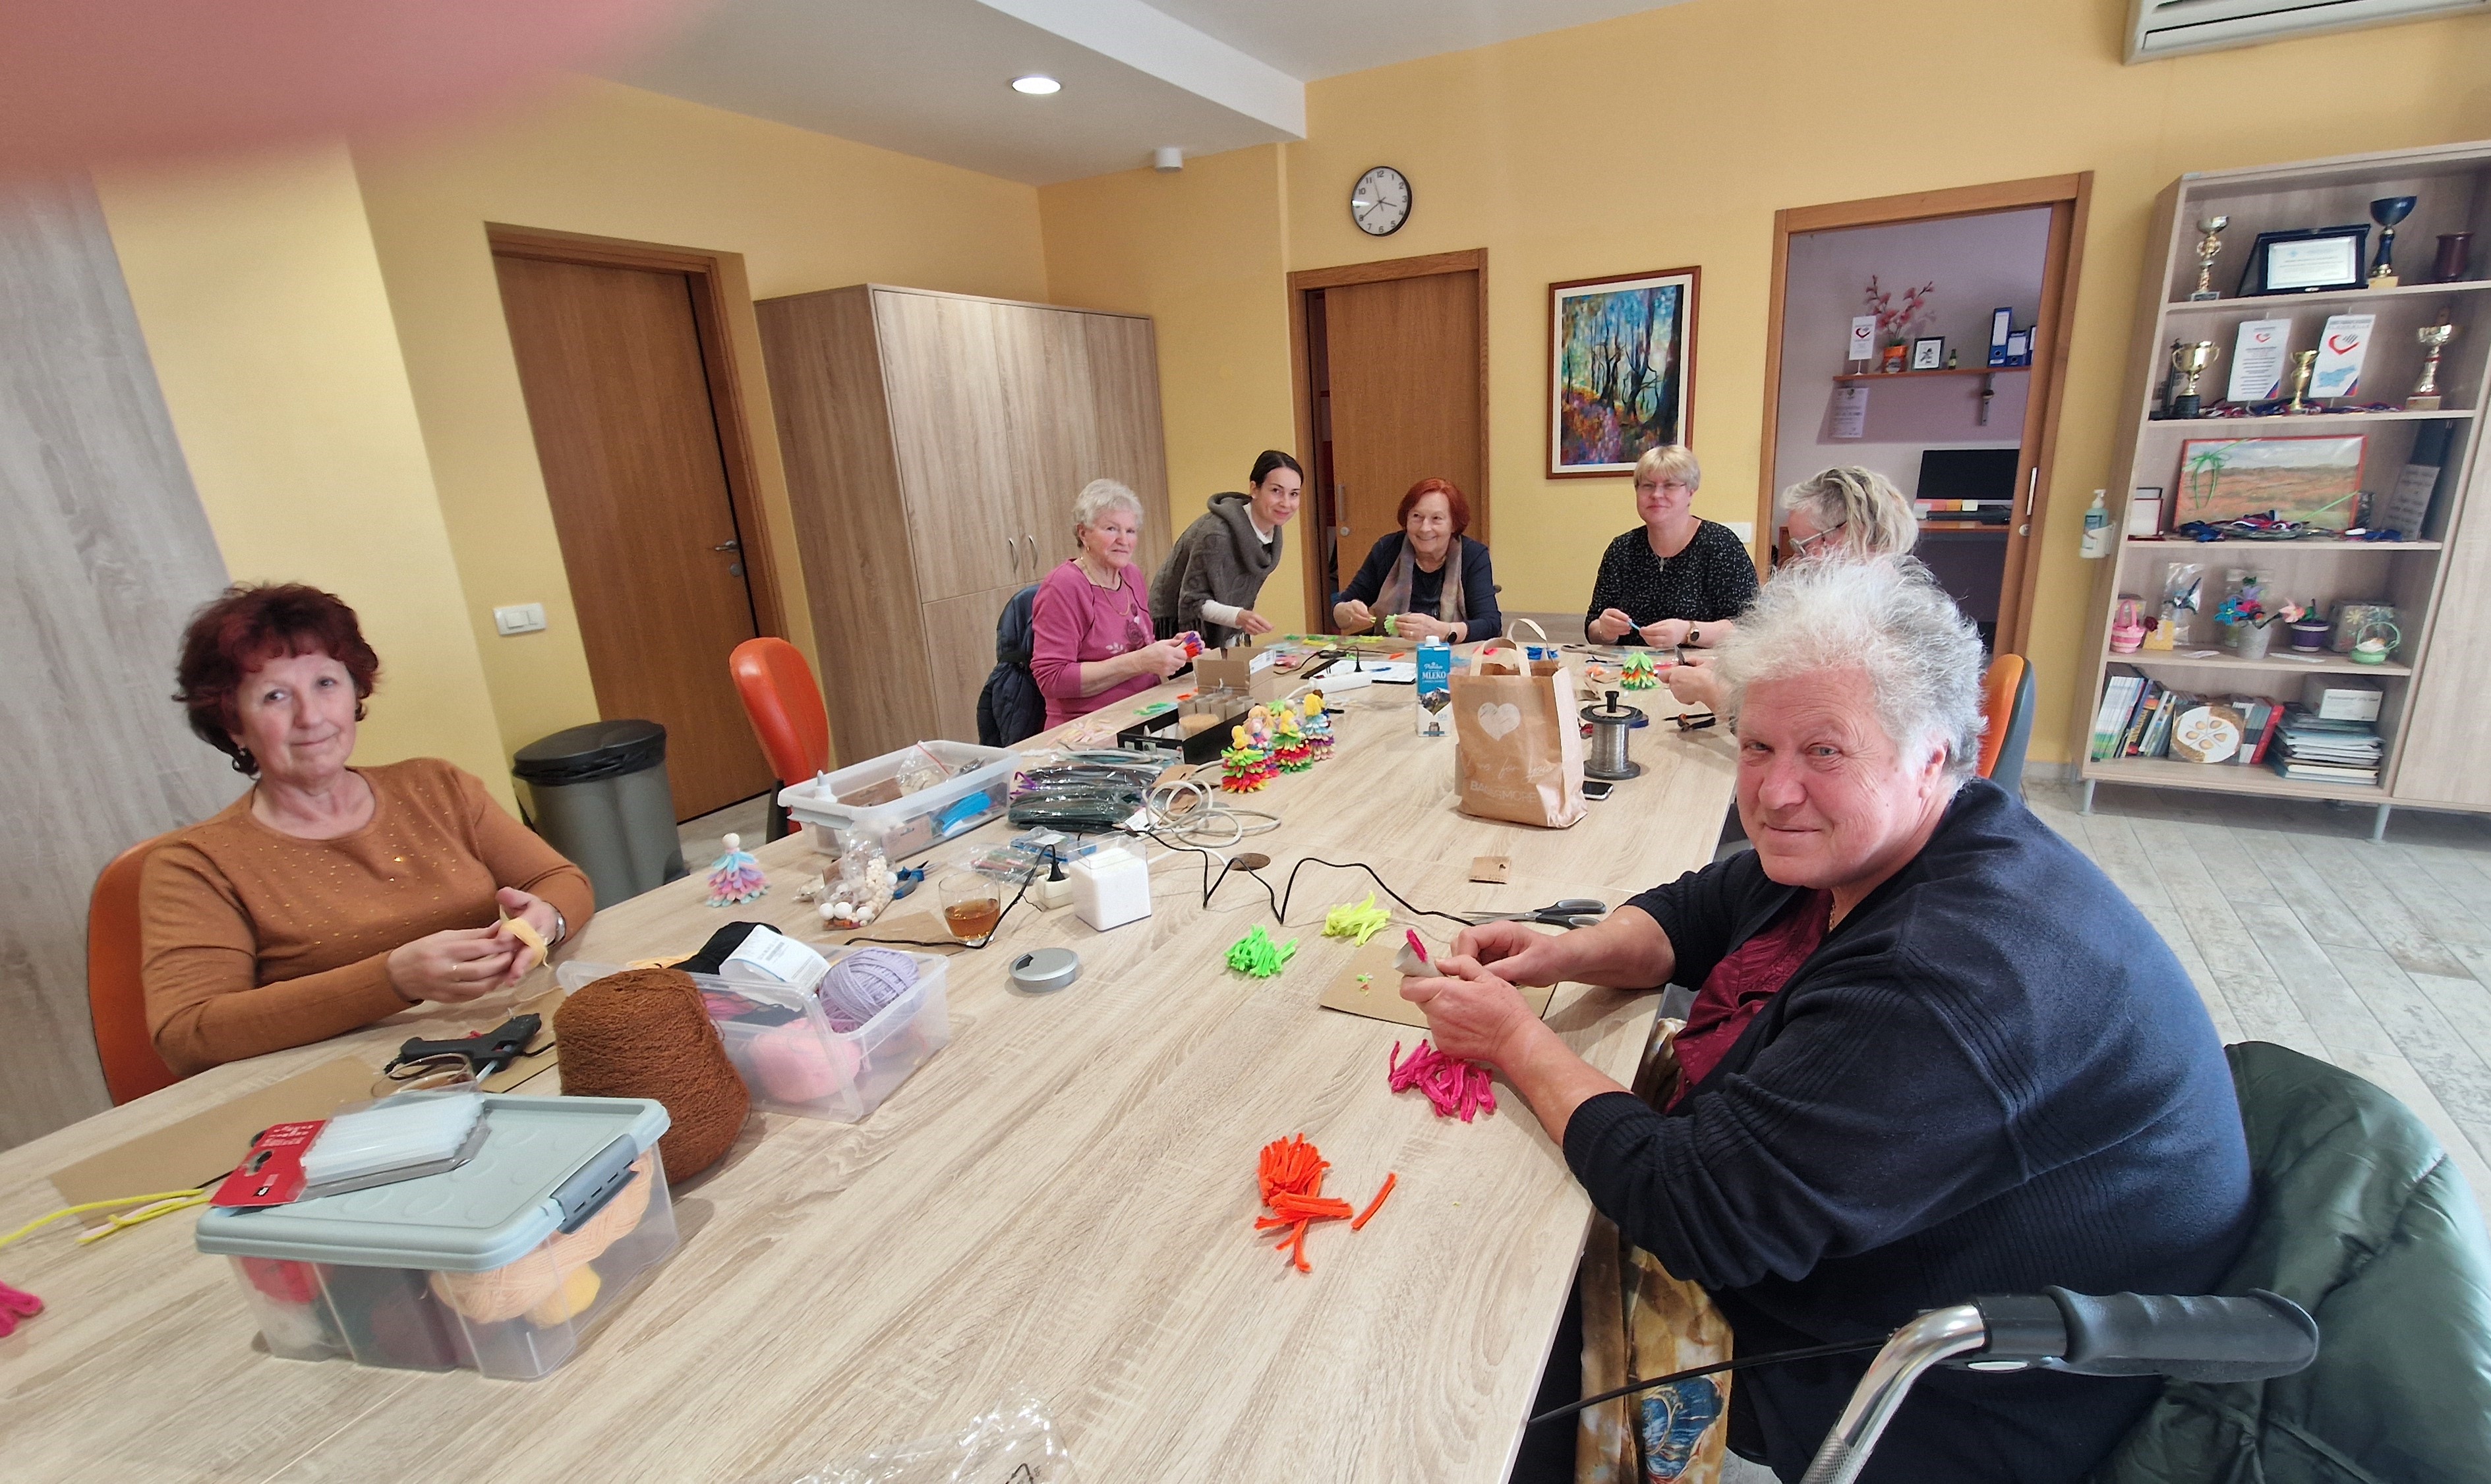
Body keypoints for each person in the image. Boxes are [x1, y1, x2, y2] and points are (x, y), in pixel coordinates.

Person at [1405, 559, 2252, 1482]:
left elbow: (1695, 1208)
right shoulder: (1896, 839)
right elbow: (1702, 908)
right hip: (1915, 1247)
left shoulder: (1942, 973)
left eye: (1824, 752)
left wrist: (1514, 1039)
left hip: (1966, 1390)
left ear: (1929, 756)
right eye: (1756, 745)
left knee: (1501, 1308)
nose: (1773, 792)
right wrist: (1565, 952)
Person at [142, 584, 595, 1075]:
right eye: (275, 696)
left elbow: (561, 880)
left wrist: (544, 922)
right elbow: (188, 1033)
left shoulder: (437, 786)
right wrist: (393, 980)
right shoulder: (195, 862)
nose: (311, 717)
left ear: (354, 692)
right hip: (349, 1085)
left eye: (326, 684)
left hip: (504, 1047)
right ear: (233, 725)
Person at [1666, 466, 1919, 714]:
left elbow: (1802, 729)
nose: (1796, 562)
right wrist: (1725, 672)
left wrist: (1711, 691)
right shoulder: (1876, 598)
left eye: (1803, 547)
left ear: (1853, 532)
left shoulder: (1880, 627)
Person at [1032, 479, 1191, 728]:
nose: (1124, 540)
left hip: (1146, 710)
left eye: (1131, 531)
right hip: (1089, 727)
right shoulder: (1063, 586)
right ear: (1083, 533)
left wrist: (1173, 650)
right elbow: (1052, 679)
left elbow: (1139, 647)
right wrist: (1140, 662)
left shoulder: (1131, 574)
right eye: (1111, 529)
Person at [1585, 445, 1759, 647]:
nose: (1657, 494)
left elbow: (1748, 627)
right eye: (1648, 486)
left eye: (1669, 485)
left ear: (1691, 492)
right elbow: (1592, 627)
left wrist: (1688, 631)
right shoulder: (1621, 549)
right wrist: (1605, 631)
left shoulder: (1721, 545)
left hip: (1699, 665)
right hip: (1630, 666)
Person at [1150, 449, 1303, 647]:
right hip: (1174, 623)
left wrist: (1237, 626)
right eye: (1276, 491)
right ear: (1254, 489)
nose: (1286, 503)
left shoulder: (1271, 535)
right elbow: (1192, 602)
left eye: (1294, 494)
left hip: (1216, 627)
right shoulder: (1216, 534)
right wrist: (1239, 617)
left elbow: (1234, 595)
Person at [1330, 476, 1502, 642]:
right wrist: (1346, 612)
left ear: (1454, 524)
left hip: (1450, 654)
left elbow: (1491, 624)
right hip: (1391, 653)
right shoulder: (1388, 549)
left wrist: (1443, 631)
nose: (1425, 528)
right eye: (1417, 516)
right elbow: (1338, 609)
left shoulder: (1473, 555)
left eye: (1437, 519)